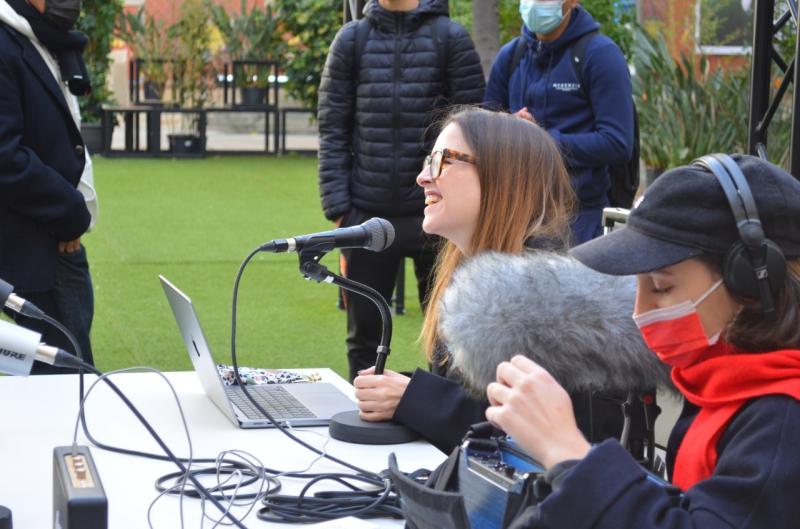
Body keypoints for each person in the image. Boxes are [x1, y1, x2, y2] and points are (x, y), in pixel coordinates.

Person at [487, 154, 800, 528]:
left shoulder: (782, 421)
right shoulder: (722, 386)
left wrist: (567, 452)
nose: (640, 310)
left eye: (661, 287)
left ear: (751, 281)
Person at [354, 107, 576, 453]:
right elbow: (474, 396)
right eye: (428, 161)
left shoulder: (544, 297)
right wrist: (404, 390)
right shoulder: (474, 276)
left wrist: (415, 398)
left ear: (501, 176)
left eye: (441, 161)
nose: (423, 177)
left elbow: (520, 436)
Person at [317, 0, 485, 382]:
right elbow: (333, 129)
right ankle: (366, 411)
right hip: (367, 216)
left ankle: (442, 416)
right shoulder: (352, 40)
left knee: (450, 338)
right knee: (364, 339)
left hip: (441, 215)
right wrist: (340, 209)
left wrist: (463, 209)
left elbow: (474, 132)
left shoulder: (450, 38)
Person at [484, 0, 634, 244]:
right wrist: (511, 128)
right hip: (517, 217)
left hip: (580, 220)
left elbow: (617, 143)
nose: (534, 4)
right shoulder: (510, 55)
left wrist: (539, 139)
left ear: (572, 2)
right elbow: (485, 135)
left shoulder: (600, 55)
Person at [0, 0, 97, 372]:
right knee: (67, 373)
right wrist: (68, 212)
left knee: (57, 369)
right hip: (37, 243)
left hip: (51, 239)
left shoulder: (42, 38)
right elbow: (5, 155)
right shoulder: (6, 42)